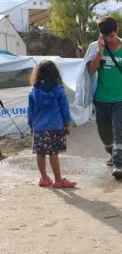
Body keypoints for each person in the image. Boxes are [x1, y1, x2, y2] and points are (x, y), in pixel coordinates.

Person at [77, 16, 122, 180]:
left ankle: (118, 165)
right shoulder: (95, 47)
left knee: (119, 132)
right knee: (104, 134)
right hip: (101, 100)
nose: (109, 39)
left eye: (112, 36)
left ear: (117, 32)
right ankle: (112, 153)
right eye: (105, 36)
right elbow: (90, 71)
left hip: (121, 99)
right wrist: (99, 53)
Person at [28, 60, 77, 188]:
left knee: (40, 153)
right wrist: (68, 123)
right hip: (55, 127)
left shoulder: (34, 91)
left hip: (39, 127)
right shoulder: (59, 90)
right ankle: (58, 180)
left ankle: (44, 178)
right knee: (53, 153)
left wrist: (31, 126)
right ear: (55, 73)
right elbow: (64, 109)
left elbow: (30, 111)